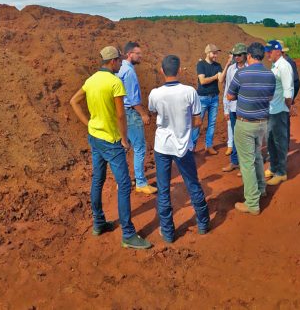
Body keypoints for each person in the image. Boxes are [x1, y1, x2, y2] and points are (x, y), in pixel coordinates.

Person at [69, 46, 152, 250]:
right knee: (124, 185)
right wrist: (124, 139)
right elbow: (121, 115)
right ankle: (128, 234)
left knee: (98, 179)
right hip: (111, 141)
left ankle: (98, 223)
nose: (120, 64)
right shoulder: (115, 82)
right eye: (119, 61)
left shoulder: (91, 80)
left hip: (95, 137)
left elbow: (73, 101)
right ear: (113, 61)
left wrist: (88, 124)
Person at [148, 55, 210, 243]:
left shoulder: (155, 94)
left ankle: (168, 232)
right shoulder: (190, 92)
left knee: (163, 189)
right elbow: (198, 121)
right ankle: (203, 224)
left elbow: (153, 111)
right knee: (193, 183)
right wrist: (185, 125)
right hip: (183, 146)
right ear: (180, 70)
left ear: (162, 71)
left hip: (162, 146)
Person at [226, 42, 276, 214]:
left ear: (248, 56)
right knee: (257, 156)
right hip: (262, 123)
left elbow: (229, 96)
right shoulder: (270, 74)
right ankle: (261, 188)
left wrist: (243, 94)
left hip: (245, 123)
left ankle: (252, 203)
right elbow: (270, 97)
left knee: (247, 163)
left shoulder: (241, 74)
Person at [117, 42, 156, 194]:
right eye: (137, 53)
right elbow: (133, 100)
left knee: (124, 146)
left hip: (120, 112)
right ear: (129, 54)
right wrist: (144, 114)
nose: (141, 56)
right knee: (139, 147)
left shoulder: (120, 68)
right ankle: (140, 182)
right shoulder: (129, 72)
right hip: (131, 113)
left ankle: (122, 181)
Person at [265, 40, 294, 186]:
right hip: (272, 109)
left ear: (277, 51)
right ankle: (273, 167)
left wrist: (288, 108)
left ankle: (281, 172)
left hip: (280, 110)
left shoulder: (284, 66)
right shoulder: (275, 65)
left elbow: (288, 92)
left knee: (279, 142)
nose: (267, 54)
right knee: (270, 140)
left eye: (269, 52)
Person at [192, 44, 224, 154]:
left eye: (216, 53)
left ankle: (209, 145)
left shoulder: (218, 65)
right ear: (208, 53)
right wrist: (215, 77)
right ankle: (192, 147)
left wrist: (227, 66)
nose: (216, 55)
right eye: (214, 53)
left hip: (214, 98)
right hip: (202, 98)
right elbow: (203, 81)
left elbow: (220, 80)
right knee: (198, 123)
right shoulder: (201, 64)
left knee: (212, 123)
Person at [222, 43, 248, 173]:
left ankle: (245, 164)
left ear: (245, 55)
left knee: (245, 136)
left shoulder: (250, 68)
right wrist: (226, 109)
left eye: (239, 55)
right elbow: (227, 89)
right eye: (234, 55)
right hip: (233, 108)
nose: (236, 57)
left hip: (246, 108)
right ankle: (234, 161)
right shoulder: (231, 69)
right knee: (235, 134)